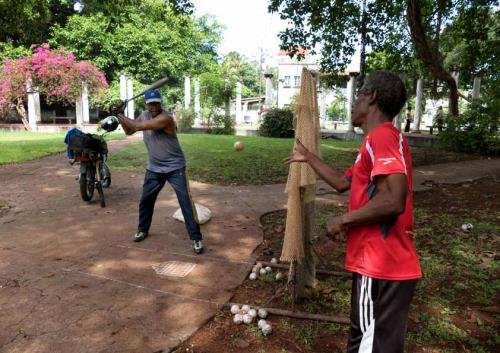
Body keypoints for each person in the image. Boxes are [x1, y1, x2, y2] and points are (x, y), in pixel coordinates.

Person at [285, 71, 421, 353]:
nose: (353, 102)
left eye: (359, 94)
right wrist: (308, 157)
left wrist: (343, 219)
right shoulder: (375, 142)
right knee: (373, 344)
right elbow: (341, 183)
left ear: (371, 97)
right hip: (384, 265)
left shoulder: (382, 137)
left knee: (365, 344)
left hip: (380, 263)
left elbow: (394, 200)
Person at [116, 89, 204, 254]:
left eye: (156, 103)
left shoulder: (166, 118)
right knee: (145, 201)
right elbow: (129, 130)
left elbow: (137, 126)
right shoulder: (143, 114)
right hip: (154, 168)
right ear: (146, 104)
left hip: (175, 167)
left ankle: (196, 238)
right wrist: (120, 115)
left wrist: (119, 113)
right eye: (150, 104)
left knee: (185, 202)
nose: (153, 106)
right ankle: (143, 229)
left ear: (160, 103)